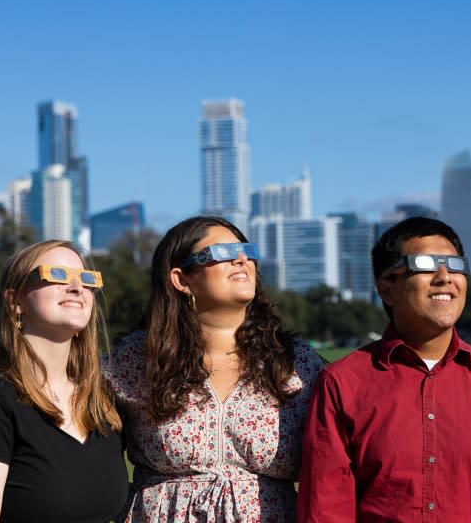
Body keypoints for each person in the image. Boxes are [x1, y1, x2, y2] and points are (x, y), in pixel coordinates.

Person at [299, 217, 471, 522]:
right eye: (425, 265)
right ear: (387, 290)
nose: (444, 277)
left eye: (454, 265)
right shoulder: (342, 384)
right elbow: (326, 509)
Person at [105, 216, 324, 522]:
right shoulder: (135, 359)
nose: (241, 259)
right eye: (222, 252)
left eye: (247, 250)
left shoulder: (296, 362)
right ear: (181, 279)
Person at [0, 240, 129, 523]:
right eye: (56, 275)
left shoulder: (103, 400)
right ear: (14, 301)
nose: (77, 288)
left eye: (87, 279)